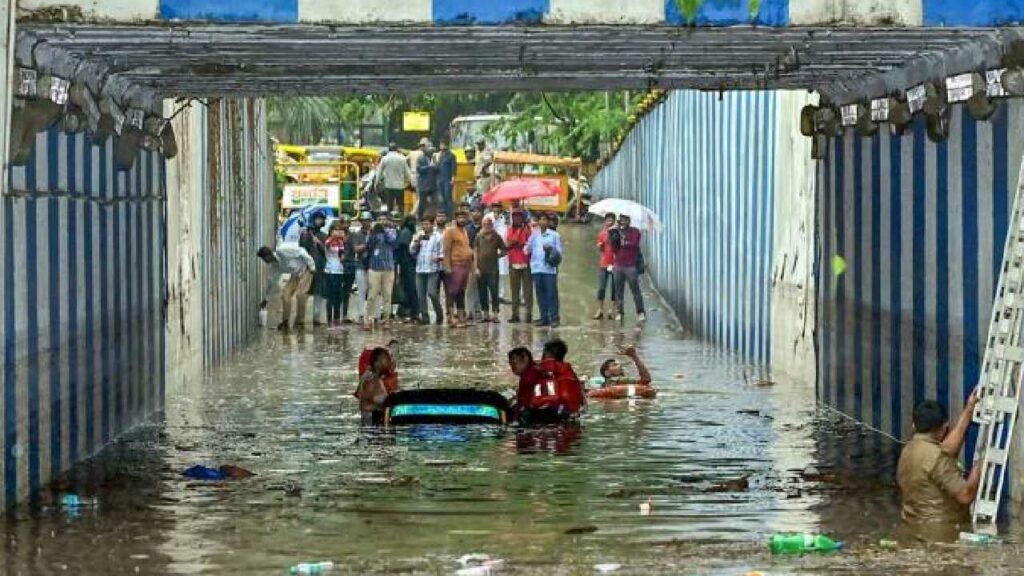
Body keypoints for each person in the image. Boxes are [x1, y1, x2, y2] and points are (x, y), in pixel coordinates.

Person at [897, 393, 981, 527]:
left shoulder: (908, 449)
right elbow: (965, 495)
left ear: (914, 425)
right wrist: (980, 467)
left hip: (912, 524)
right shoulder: (936, 457)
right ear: (943, 428)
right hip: (940, 529)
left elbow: (945, 450)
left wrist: (968, 410)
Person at [257, 243, 315, 331]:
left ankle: (300, 322)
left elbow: (301, 251)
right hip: (295, 275)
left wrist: (312, 266)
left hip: (306, 269)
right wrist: (266, 299)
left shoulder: (282, 250)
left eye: (264, 258)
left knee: (300, 295)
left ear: (268, 255)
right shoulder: (275, 266)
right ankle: (285, 322)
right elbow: (272, 282)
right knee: (285, 295)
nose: (264, 261)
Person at [525, 213, 563, 327]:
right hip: (536, 269)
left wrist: (550, 249)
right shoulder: (534, 235)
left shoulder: (554, 235)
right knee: (540, 294)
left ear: (548, 222)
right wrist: (527, 244)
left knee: (551, 294)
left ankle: (554, 318)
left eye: (544, 219)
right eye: (540, 219)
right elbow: (527, 250)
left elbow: (559, 253)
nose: (542, 222)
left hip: (549, 269)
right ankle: (544, 317)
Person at [442, 210, 475, 328]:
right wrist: (447, 266)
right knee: (452, 292)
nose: (462, 220)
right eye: (459, 218)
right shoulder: (450, 231)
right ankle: (451, 317)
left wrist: (472, 268)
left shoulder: (464, 232)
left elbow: (468, 250)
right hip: (455, 264)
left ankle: (461, 317)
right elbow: (446, 250)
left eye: (463, 218)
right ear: (456, 219)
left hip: (465, 265)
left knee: (461, 292)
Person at [611, 213, 646, 323]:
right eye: (621, 219)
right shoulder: (615, 231)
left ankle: (640, 312)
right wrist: (614, 232)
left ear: (629, 221)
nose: (623, 221)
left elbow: (634, 244)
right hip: (618, 265)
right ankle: (620, 312)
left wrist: (623, 239)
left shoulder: (635, 232)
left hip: (631, 266)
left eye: (626, 219)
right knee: (618, 291)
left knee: (635, 290)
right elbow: (612, 245)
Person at [364, 217, 398, 329]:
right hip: (374, 267)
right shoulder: (372, 231)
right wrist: (373, 232)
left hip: (388, 267)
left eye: (384, 219)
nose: (382, 221)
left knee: (387, 295)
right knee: (372, 295)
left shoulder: (392, 231)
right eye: (380, 219)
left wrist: (384, 230)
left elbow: (393, 243)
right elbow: (368, 245)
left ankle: (386, 319)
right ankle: (368, 319)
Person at [412, 216, 444, 325]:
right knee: (420, 294)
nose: (425, 226)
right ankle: (425, 317)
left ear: (432, 224)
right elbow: (411, 250)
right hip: (420, 269)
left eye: (427, 224)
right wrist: (417, 242)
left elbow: (443, 252)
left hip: (433, 269)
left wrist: (438, 258)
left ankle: (439, 314)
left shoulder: (438, 237)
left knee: (432, 293)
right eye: (423, 224)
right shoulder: (418, 235)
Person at [475, 216, 508, 323]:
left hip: (493, 269)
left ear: (492, 225)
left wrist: (497, 256)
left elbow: (504, 250)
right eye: (485, 224)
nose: (487, 226)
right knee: (482, 292)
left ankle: (495, 314)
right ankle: (485, 314)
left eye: (489, 224)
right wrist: (475, 268)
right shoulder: (478, 236)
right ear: (482, 225)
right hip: (481, 269)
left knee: (494, 292)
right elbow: (475, 252)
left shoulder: (496, 236)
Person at [590, 346, 657, 398]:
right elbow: (646, 379)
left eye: (619, 364)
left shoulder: (624, 381)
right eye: (615, 365)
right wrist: (634, 356)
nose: (620, 366)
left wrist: (634, 357)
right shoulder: (611, 382)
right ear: (607, 373)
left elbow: (646, 380)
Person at [299, 210, 328, 326]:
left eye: (321, 219)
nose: (319, 221)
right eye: (317, 218)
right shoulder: (305, 234)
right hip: (308, 268)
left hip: (320, 267)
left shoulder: (324, 236)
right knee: (304, 292)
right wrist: (306, 237)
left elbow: (326, 252)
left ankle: (316, 317)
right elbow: (302, 249)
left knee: (318, 292)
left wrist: (319, 243)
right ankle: (300, 318)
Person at [505, 209, 533, 323]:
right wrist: (517, 238)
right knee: (514, 291)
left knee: (528, 292)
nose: (517, 219)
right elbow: (508, 243)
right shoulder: (510, 229)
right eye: (515, 217)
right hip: (513, 263)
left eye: (519, 217)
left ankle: (528, 314)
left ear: (522, 218)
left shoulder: (528, 230)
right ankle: (515, 314)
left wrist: (522, 238)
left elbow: (530, 244)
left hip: (526, 264)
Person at [507, 347, 547, 424]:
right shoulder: (538, 369)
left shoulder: (527, 377)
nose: (512, 366)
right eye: (510, 363)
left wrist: (514, 419)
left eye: (514, 362)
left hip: (534, 416)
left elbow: (522, 403)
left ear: (525, 358)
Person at [322, 220, 349, 326]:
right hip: (329, 270)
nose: (337, 232)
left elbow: (342, 256)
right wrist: (334, 238)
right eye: (335, 230)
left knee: (338, 295)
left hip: (339, 270)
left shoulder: (341, 242)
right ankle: (329, 318)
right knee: (330, 295)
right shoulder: (328, 241)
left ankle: (337, 317)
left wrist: (343, 254)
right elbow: (327, 247)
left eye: (339, 230)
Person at [356, 347, 391, 426]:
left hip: (372, 418)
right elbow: (370, 398)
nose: (389, 362)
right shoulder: (371, 379)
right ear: (378, 362)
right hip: (371, 419)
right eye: (386, 359)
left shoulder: (375, 378)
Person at [395, 215, 420, 323]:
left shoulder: (406, 231)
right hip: (407, 265)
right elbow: (403, 246)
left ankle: (406, 311)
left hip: (407, 264)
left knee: (407, 288)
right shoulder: (406, 232)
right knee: (411, 289)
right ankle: (412, 312)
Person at [377, 143, 413, 216]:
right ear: (397, 149)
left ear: (389, 149)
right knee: (400, 206)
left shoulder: (385, 158)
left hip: (389, 186)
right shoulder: (402, 158)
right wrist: (412, 183)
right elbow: (408, 173)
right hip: (400, 186)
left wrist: (376, 183)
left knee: (389, 206)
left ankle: (389, 220)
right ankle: (401, 220)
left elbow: (379, 172)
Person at [349, 212, 373, 324]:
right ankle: (361, 315)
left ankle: (373, 315)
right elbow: (356, 249)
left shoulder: (374, 233)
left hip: (373, 265)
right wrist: (367, 244)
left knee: (374, 292)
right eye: (363, 220)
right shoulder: (357, 234)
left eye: (367, 220)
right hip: (361, 265)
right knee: (361, 291)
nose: (366, 222)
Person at [484, 202, 510, 302]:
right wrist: (494, 219)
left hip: (503, 248)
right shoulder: (488, 216)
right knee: (490, 272)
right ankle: (490, 295)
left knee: (503, 272)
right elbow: (486, 229)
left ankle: (500, 295)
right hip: (491, 248)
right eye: (495, 208)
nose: (497, 210)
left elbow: (509, 228)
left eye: (499, 208)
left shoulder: (506, 216)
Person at [594, 212, 618, 320]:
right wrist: (600, 245)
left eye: (611, 220)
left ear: (614, 221)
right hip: (604, 263)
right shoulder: (601, 233)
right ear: (605, 221)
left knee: (614, 289)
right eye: (608, 220)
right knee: (601, 288)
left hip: (615, 264)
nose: (610, 222)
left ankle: (612, 310)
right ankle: (600, 310)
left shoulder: (617, 233)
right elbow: (600, 248)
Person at [416, 142, 439, 219]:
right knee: (422, 203)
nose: (431, 151)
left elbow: (437, 170)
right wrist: (429, 167)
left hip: (433, 184)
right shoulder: (420, 158)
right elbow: (419, 169)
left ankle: (433, 218)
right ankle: (420, 218)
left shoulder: (434, 158)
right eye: (429, 149)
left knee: (435, 202)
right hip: (423, 184)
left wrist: (435, 163)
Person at [437, 140, 457, 218]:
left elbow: (454, 167)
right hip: (440, 179)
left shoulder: (451, 155)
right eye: (440, 145)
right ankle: (443, 214)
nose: (441, 146)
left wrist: (453, 178)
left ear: (446, 146)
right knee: (442, 198)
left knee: (448, 197)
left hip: (447, 179)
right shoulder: (440, 155)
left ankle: (450, 215)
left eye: (442, 145)